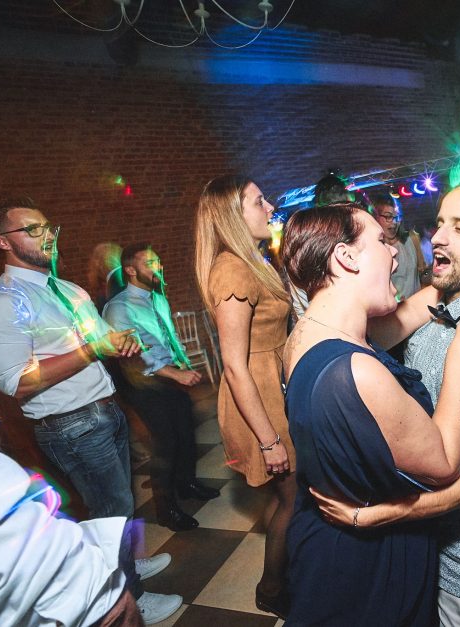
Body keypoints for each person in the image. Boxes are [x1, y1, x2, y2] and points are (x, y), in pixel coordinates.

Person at [310, 182, 460, 627]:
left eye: (459, 227)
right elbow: (372, 341)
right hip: (426, 544)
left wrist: (380, 515)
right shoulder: (432, 315)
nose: (437, 237)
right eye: (439, 223)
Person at [0, 198, 181, 624]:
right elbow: (13, 380)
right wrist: (90, 350)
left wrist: (120, 341)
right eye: (31, 229)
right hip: (71, 425)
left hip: (105, 412)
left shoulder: (68, 291)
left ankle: (129, 567)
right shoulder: (0, 303)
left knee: (120, 505)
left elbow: (103, 338)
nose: (47, 236)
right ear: (1, 242)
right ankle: (126, 600)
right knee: (108, 513)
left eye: (49, 227)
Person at [0, 379, 143, 626]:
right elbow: (14, 382)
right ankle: (130, 578)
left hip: (72, 590)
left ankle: (131, 574)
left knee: (120, 504)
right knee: (113, 506)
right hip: (52, 600)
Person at [194, 175, 297, 618]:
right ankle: (271, 590)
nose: (270, 206)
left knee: (288, 497)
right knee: (296, 499)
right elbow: (234, 365)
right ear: (234, 215)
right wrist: (270, 440)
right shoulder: (232, 269)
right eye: (259, 201)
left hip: (271, 382)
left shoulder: (251, 260)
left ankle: (287, 576)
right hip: (257, 394)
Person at [103, 243, 220, 532]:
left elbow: (168, 337)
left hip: (172, 377)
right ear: (131, 270)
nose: (159, 268)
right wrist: (173, 374)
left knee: (185, 433)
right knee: (165, 444)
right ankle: (165, 509)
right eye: (151, 263)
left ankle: (187, 484)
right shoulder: (118, 307)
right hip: (146, 384)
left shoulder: (157, 299)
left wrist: (181, 364)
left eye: (158, 262)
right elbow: (132, 354)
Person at [369, 192, 428, 300]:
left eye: (398, 217)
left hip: (416, 309)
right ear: (375, 217)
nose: (395, 222)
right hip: (391, 314)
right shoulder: (372, 250)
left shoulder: (412, 239)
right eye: (388, 217)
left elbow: (423, 273)